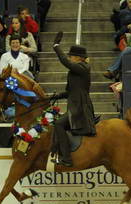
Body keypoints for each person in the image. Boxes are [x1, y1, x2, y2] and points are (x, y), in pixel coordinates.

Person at [51, 32, 96, 167]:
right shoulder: (76, 71)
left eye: (71, 56)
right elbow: (70, 92)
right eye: (70, 56)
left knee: (59, 124)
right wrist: (55, 96)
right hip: (76, 105)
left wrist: (56, 46)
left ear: (79, 58)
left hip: (80, 108)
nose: (69, 58)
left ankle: (66, 158)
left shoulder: (83, 67)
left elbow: (65, 61)